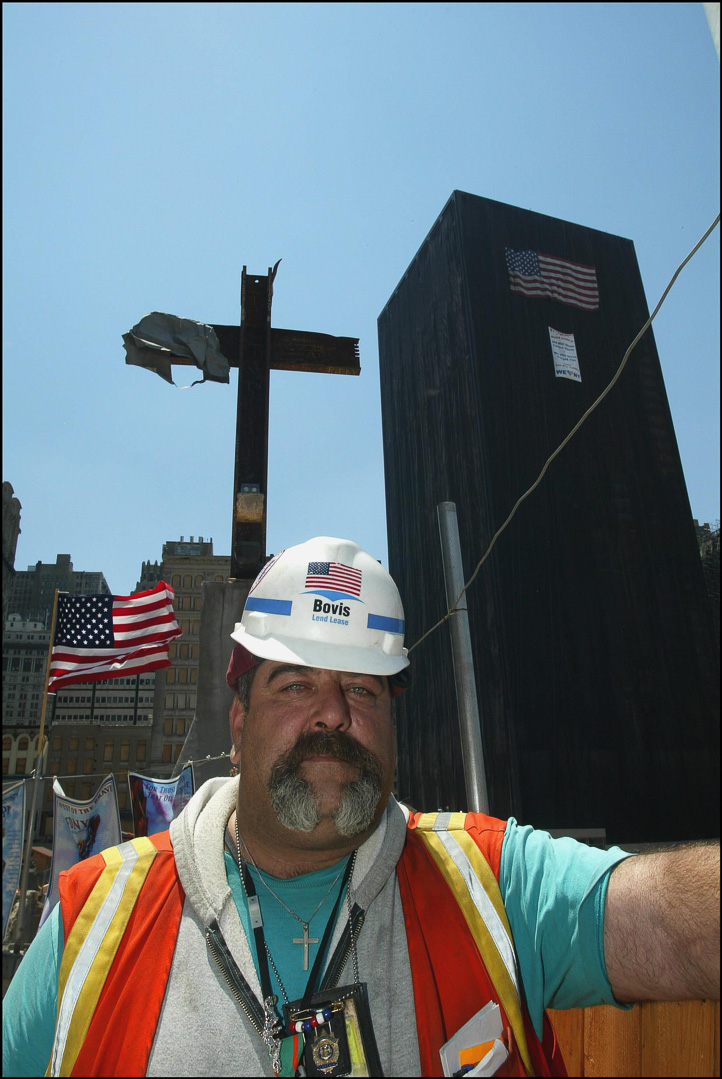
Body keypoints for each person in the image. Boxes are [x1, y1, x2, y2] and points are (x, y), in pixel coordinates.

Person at [2, 536, 719, 1078]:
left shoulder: (495, 885)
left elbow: (673, 922)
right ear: (240, 719)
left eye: (364, 688)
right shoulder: (89, 924)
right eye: (294, 684)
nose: (334, 714)